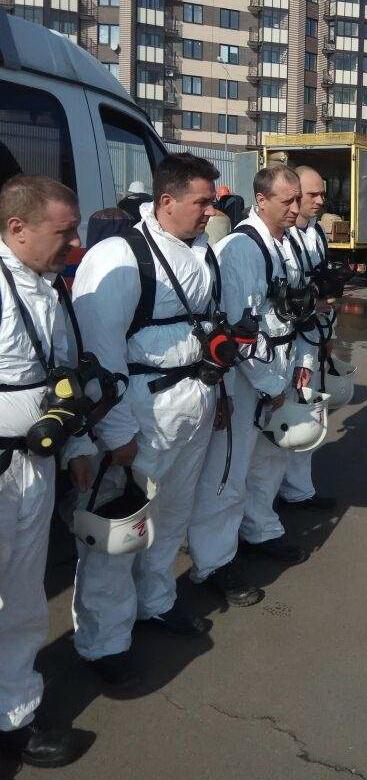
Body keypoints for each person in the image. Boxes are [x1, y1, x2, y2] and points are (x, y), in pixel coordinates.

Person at [70, 154, 223, 686]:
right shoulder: (120, 256)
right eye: (202, 202)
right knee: (122, 528)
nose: (211, 211)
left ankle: (155, 601)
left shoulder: (201, 251)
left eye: (212, 202)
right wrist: (117, 434)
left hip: (194, 400)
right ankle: (103, 641)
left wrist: (216, 393)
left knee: (172, 514)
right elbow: (100, 350)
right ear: (167, 201)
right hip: (141, 411)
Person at [0, 176, 95, 767]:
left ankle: (14, 717)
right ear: (18, 228)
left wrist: (77, 440)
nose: (75, 243)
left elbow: (62, 378)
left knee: (25, 599)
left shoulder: (49, 289)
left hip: (35, 468)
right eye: (64, 231)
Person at [188, 165, 310, 608]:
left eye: (297, 199)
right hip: (244, 380)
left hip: (276, 367)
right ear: (261, 200)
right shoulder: (241, 249)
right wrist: (268, 383)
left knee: (269, 458)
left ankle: (260, 529)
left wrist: (298, 365)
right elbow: (237, 332)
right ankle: (214, 561)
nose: (295, 208)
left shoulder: (283, 244)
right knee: (228, 470)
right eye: (287, 200)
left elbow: (286, 312)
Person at [280, 165, 338, 512]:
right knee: (292, 414)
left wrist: (329, 333)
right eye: (312, 194)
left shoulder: (315, 233)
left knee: (307, 412)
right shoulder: (282, 238)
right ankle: (282, 493)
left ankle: (299, 489)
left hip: (312, 338)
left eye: (322, 194)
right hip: (290, 343)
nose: (320, 200)